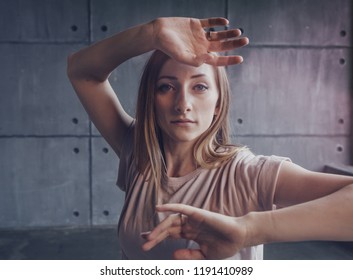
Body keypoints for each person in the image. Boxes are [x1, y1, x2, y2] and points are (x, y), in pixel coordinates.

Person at [67, 17, 353, 260]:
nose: (183, 103)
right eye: (166, 87)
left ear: (218, 104)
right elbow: (82, 72)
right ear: (151, 100)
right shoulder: (137, 153)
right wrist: (151, 33)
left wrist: (250, 229)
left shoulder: (247, 173)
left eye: (200, 87)